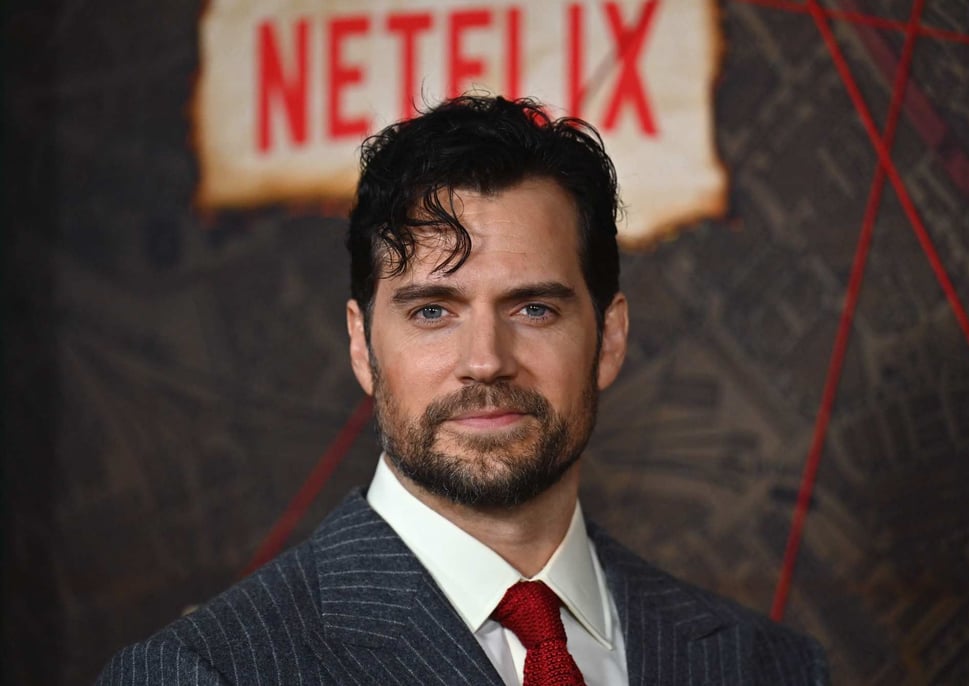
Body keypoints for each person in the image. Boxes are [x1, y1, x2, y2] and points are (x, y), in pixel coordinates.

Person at [97, 95, 828, 685]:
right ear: (362, 344)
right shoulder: (203, 672)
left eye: (534, 308)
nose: (486, 361)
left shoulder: (767, 667)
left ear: (608, 339)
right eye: (433, 312)